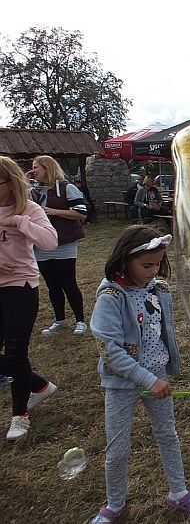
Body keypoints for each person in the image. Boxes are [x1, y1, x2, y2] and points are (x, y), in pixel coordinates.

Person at [89, 225, 190, 523]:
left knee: (168, 434)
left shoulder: (158, 289)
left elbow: (162, 330)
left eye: (158, 264)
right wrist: (148, 379)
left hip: (158, 376)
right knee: (118, 448)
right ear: (124, 260)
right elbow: (111, 352)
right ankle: (115, 504)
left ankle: (178, 491)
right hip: (123, 383)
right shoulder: (110, 297)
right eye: (147, 265)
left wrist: (163, 372)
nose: (154, 270)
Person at [0, 156, 59, 440]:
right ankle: (38, 385)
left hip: (19, 287)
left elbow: (50, 242)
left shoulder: (30, 209)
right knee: (13, 357)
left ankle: (19, 414)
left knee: (14, 351)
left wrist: (20, 221)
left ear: (11, 184)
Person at [30, 155, 89, 336]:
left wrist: (53, 211)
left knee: (68, 282)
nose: (33, 171)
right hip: (41, 245)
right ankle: (59, 320)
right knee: (52, 285)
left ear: (48, 168)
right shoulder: (34, 191)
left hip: (63, 243)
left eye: (36, 167)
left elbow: (81, 213)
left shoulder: (66, 188)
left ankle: (80, 321)